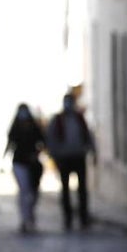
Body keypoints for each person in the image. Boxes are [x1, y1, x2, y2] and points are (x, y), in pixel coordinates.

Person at [46, 93, 96, 230]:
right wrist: (54, 155)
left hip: (78, 156)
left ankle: (83, 218)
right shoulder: (58, 120)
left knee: (82, 189)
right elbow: (51, 138)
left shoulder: (80, 119)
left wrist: (91, 150)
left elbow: (88, 135)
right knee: (65, 189)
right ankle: (67, 218)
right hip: (64, 158)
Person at [4, 104, 45, 233]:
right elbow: (10, 143)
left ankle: (30, 217)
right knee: (24, 191)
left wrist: (37, 153)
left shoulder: (34, 127)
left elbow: (43, 142)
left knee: (33, 193)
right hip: (19, 163)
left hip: (33, 165)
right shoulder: (15, 128)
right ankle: (25, 219)